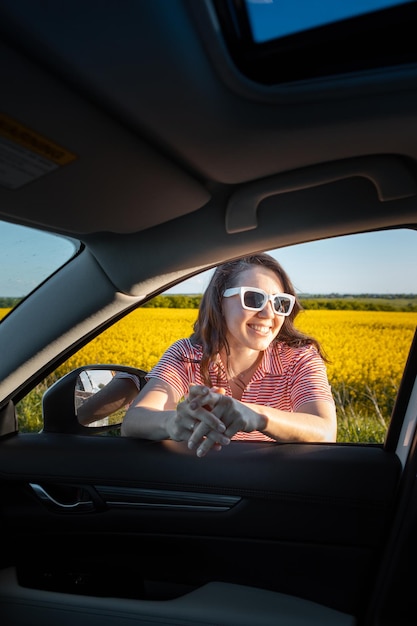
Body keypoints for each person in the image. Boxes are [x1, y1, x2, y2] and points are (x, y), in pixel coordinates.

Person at [121, 253, 337, 456]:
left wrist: (256, 416)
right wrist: (174, 422)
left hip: (273, 483)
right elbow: (134, 421)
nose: (269, 314)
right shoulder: (187, 354)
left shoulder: (299, 357)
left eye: (280, 303)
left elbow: (326, 432)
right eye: (253, 299)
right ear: (220, 302)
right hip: (208, 482)